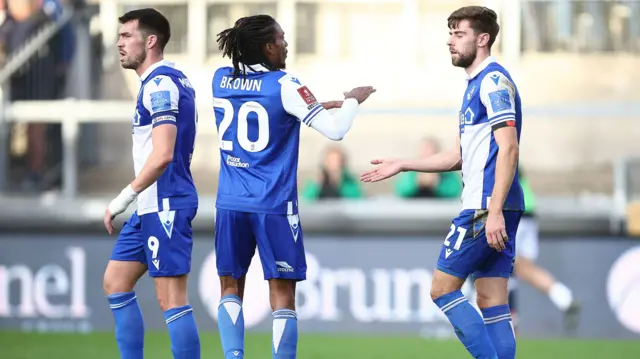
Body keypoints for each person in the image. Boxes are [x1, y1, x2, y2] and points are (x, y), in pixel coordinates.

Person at [361, 6, 522, 359]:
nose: (450, 41)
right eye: (450, 32)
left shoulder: (493, 81)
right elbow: (459, 157)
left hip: (485, 206)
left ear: (482, 39)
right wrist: (404, 164)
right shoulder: (475, 84)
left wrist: (492, 211)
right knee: (491, 298)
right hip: (497, 204)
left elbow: (509, 150)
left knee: (441, 289)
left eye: (458, 33)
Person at [212, 14, 375, 359]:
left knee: (230, 287)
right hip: (273, 205)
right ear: (268, 46)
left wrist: (313, 105)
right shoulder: (285, 84)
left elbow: (261, 108)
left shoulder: (220, 79)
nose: (286, 45)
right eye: (282, 39)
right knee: (283, 294)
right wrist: (352, 101)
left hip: (230, 202)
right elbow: (335, 131)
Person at [102, 8, 200, 359]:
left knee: (170, 299)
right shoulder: (165, 80)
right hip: (150, 206)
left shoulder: (160, 84)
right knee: (116, 282)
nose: (119, 43)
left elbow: (162, 155)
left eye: (127, 36)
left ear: (151, 40)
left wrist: (121, 199)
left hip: (166, 202)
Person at [510, 167, 581, 333]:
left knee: (503, 268)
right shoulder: (509, 149)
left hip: (511, 212)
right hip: (528, 212)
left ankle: (509, 323)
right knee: (522, 267)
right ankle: (564, 298)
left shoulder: (494, 149)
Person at [394, 137, 462, 199]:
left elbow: (455, 192)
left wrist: (437, 185)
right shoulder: (411, 172)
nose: (427, 154)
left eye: (431, 150)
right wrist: (417, 183)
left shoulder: (447, 173)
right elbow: (401, 190)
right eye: (424, 150)